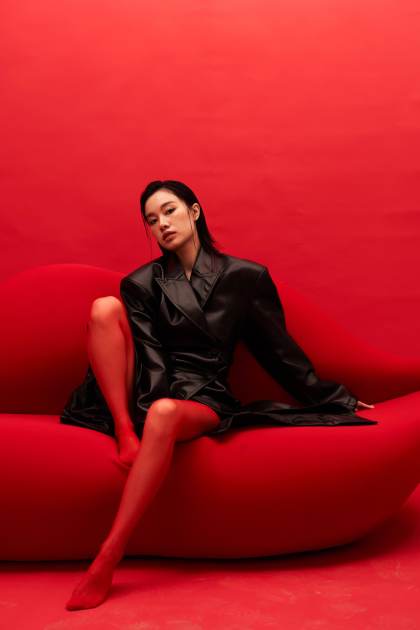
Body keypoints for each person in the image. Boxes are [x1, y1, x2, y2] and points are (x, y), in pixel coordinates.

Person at [62, 179, 377, 610]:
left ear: (194, 211)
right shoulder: (142, 282)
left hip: (205, 394)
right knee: (104, 308)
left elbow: (278, 351)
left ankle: (108, 555)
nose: (161, 224)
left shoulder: (244, 278)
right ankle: (124, 431)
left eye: (170, 211)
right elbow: (149, 355)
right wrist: (139, 415)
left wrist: (333, 396)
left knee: (165, 412)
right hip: (148, 388)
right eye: (152, 220)